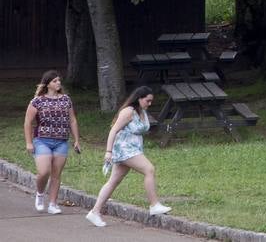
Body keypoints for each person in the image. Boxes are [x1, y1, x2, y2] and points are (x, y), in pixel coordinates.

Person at [86, 86, 171, 227]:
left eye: (151, 101)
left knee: (114, 181)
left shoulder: (141, 111)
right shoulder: (128, 112)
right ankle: (154, 205)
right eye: (147, 101)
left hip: (134, 148)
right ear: (139, 98)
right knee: (149, 169)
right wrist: (108, 151)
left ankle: (95, 212)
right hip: (124, 149)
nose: (149, 104)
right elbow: (113, 131)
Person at [25, 70, 81, 215]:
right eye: (55, 81)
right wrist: (29, 143)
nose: (58, 83)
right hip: (42, 140)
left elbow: (72, 120)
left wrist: (76, 140)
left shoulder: (66, 99)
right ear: (48, 84)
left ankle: (53, 204)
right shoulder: (37, 101)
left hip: (61, 141)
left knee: (56, 174)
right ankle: (40, 193)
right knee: (44, 171)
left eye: (59, 80)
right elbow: (28, 122)